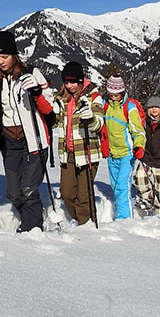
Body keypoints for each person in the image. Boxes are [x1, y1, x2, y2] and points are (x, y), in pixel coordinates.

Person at [0, 30, 55, 232]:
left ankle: (31, 229)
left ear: (14, 55)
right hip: (9, 141)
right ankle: (30, 214)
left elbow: (51, 112)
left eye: (4, 56)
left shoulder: (32, 74)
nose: (0, 61)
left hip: (34, 140)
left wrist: (37, 93)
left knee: (28, 189)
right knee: (14, 192)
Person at [52, 61, 104, 227]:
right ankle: (80, 218)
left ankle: (85, 224)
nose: (70, 86)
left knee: (84, 193)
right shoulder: (61, 99)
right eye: (66, 82)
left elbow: (98, 125)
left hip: (87, 151)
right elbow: (54, 122)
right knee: (66, 192)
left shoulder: (93, 96)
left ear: (81, 81)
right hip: (67, 152)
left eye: (73, 82)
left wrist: (90, 118)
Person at [102, 75, 146, 220]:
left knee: (122, 186)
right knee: (115, 187)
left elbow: (138, 130)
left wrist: (139, 145)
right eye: (111, 94)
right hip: (112, 154)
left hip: (127, 154)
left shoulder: (130, 108)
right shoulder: (105, 106)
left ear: (122, 92)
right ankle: (121, 211)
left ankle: (125, 219)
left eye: (117, 94)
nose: (114, 97)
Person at [133, 96, 160, 215]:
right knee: (139, 179)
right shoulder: (145, 122)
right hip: (147, 158)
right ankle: (148, 199)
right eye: (152, 107)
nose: (154, 110)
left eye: (157, 107)